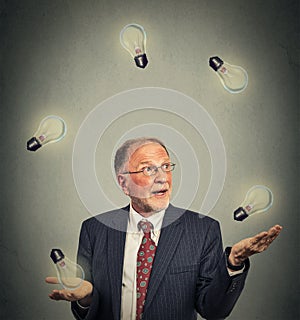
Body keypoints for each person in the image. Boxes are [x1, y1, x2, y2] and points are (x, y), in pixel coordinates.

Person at [46, 137, 282, 320]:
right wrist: (86, 298)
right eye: (148, 169)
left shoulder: (203, 230)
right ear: (123, 183)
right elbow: (85, 312)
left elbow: (214, 311)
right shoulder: (94, 230)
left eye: (166, 166)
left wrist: (233, 262)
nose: (163, 178)